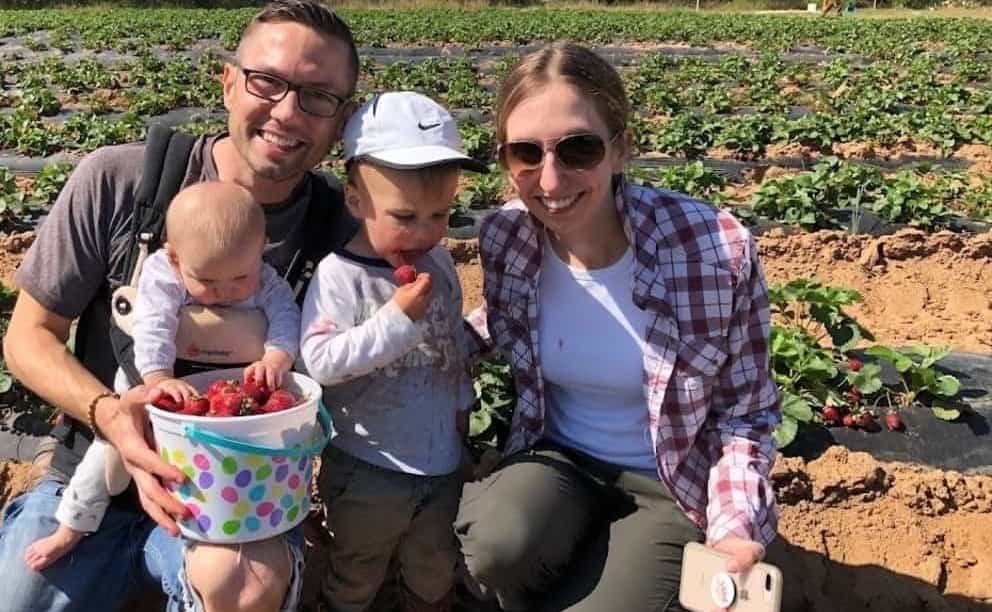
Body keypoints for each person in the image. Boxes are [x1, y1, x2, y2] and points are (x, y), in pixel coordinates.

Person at [0, 0, 359, 612]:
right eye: (266, 81)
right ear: (228, 82)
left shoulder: (338, 231)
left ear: (340, 116)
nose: (287, 111)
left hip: (232, 493)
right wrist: (107, 411)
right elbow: (28, 336)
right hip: (97, 476)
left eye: (318, 96)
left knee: (242, 589)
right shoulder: (122, 183)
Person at [456, 42, 780, 612]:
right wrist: (407, 343)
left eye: (578, 149)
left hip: (668, 483)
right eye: (525, 153)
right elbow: (501, 322)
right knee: (495, 547)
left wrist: (733, 523)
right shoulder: (508, 236)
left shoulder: (712, 252)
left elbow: (745, 413)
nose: (550, 180)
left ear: (621, 148)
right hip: (558, 458)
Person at [23, 182, 302, 572]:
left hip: (216, 394)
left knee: (221, 455)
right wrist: (158, 378)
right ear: (174, 257)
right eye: (206, 281)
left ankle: (215, 515)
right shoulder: (162, 273)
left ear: (262, 251)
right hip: (152, 382)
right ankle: (73, 524)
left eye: (239, 279)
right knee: (110, 454)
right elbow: (153, 325)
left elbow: (287, 315)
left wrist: (277, 356)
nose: (223, 292)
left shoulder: (265, 278)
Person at [299, 92, 486, 612]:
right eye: (405, 216)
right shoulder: (342, 276)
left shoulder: (440, 265)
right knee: (357, 570)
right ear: (356, 201)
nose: (425, 232)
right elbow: (320, 363)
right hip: (367, 465)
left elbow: (450, 347)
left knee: (433, 568)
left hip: (441, 461)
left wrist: (462, 413)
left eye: (439, 215)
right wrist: (396, 320)